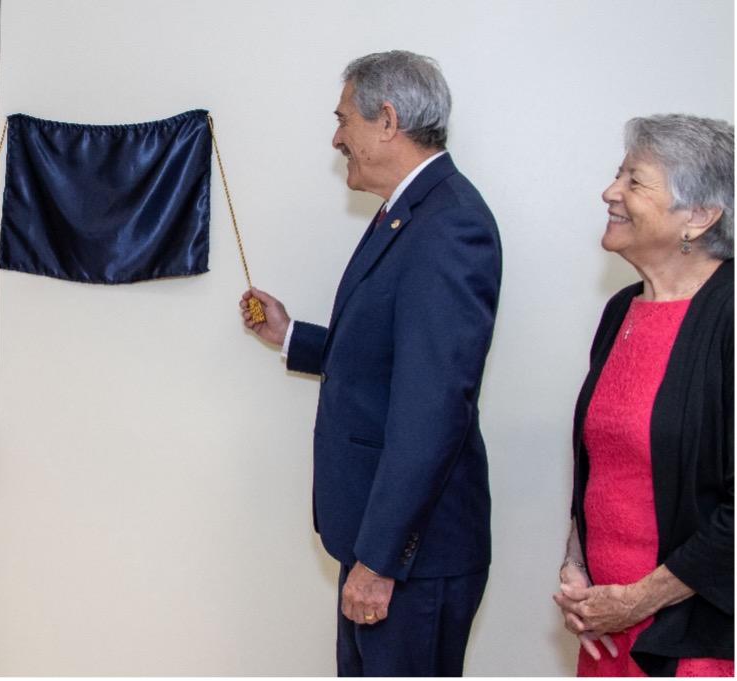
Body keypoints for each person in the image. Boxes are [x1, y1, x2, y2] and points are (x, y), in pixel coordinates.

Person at [240, 51, 502, 676]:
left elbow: (432, 407)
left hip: (410, 553)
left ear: (386, 121)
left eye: (343, 120)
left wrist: (381, 560)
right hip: (381, 543)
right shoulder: (407, 213)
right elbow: (393, 357)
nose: (336, 138)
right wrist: (291, 337)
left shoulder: (449, 226)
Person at [553, 114, 733, 677]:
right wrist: (576, 567)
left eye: (635, 180)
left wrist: (638, 601)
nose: (610, 192)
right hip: (607, 629)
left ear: (699, 217)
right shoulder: (620, 311)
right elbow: (602, 463)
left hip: (694, 640)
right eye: (617, 176)